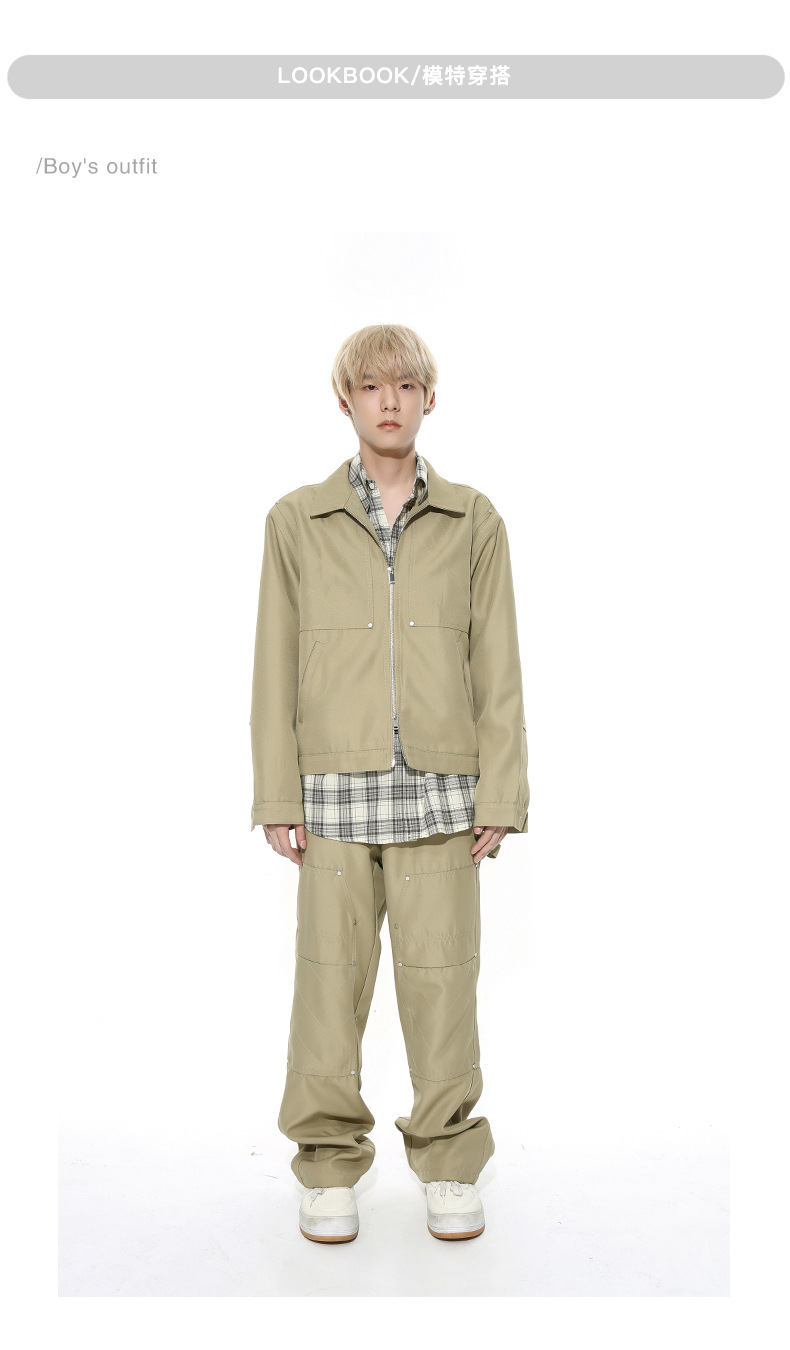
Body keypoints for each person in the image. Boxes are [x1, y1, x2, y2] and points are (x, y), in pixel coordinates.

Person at [249, 323, 529, 1243]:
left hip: (442, 795)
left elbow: (498, 666)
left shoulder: (474, 520)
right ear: (346, 400)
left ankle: (448, 1161)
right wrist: (277, 794)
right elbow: (273, 664)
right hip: (333, 794)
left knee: (443, 989)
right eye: (372, 386)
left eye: (406, 385)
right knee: (328, 990)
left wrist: (502, 794)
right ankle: (329, 1164)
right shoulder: (297, 520)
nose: (390, 401)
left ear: (429, 398)